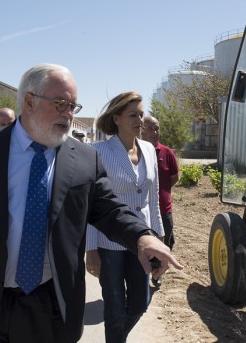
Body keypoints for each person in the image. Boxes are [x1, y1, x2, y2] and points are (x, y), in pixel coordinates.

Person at [0, 63, 182, 343]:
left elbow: (109, 209)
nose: (68, 114)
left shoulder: (84, 159)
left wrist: (142, 237)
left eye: (73, 106)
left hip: (50, 303)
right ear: (29, 102)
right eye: (60, 104)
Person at [85, 92, 164, 343]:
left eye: (141, 114)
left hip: (142, 239)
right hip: (109, 244)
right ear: (116, 118)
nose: (139, 120)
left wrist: (159, 237)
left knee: (141, 302)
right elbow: (91, 204)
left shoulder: (149, 150)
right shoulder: (98, 151)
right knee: (115, 308)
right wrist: (91, 249)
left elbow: (153, 198)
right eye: (132, 115)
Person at [141, 115, 179, 287]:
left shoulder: (167, 153)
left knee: (166, 242)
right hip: (141, 210)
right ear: (141, 130)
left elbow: (174, 178)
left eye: (157, 128)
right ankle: (140, 276)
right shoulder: (135, 152)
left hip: (164, 209)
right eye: (151, 128)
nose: (155, 132)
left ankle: (157, 273)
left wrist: (161, 193)